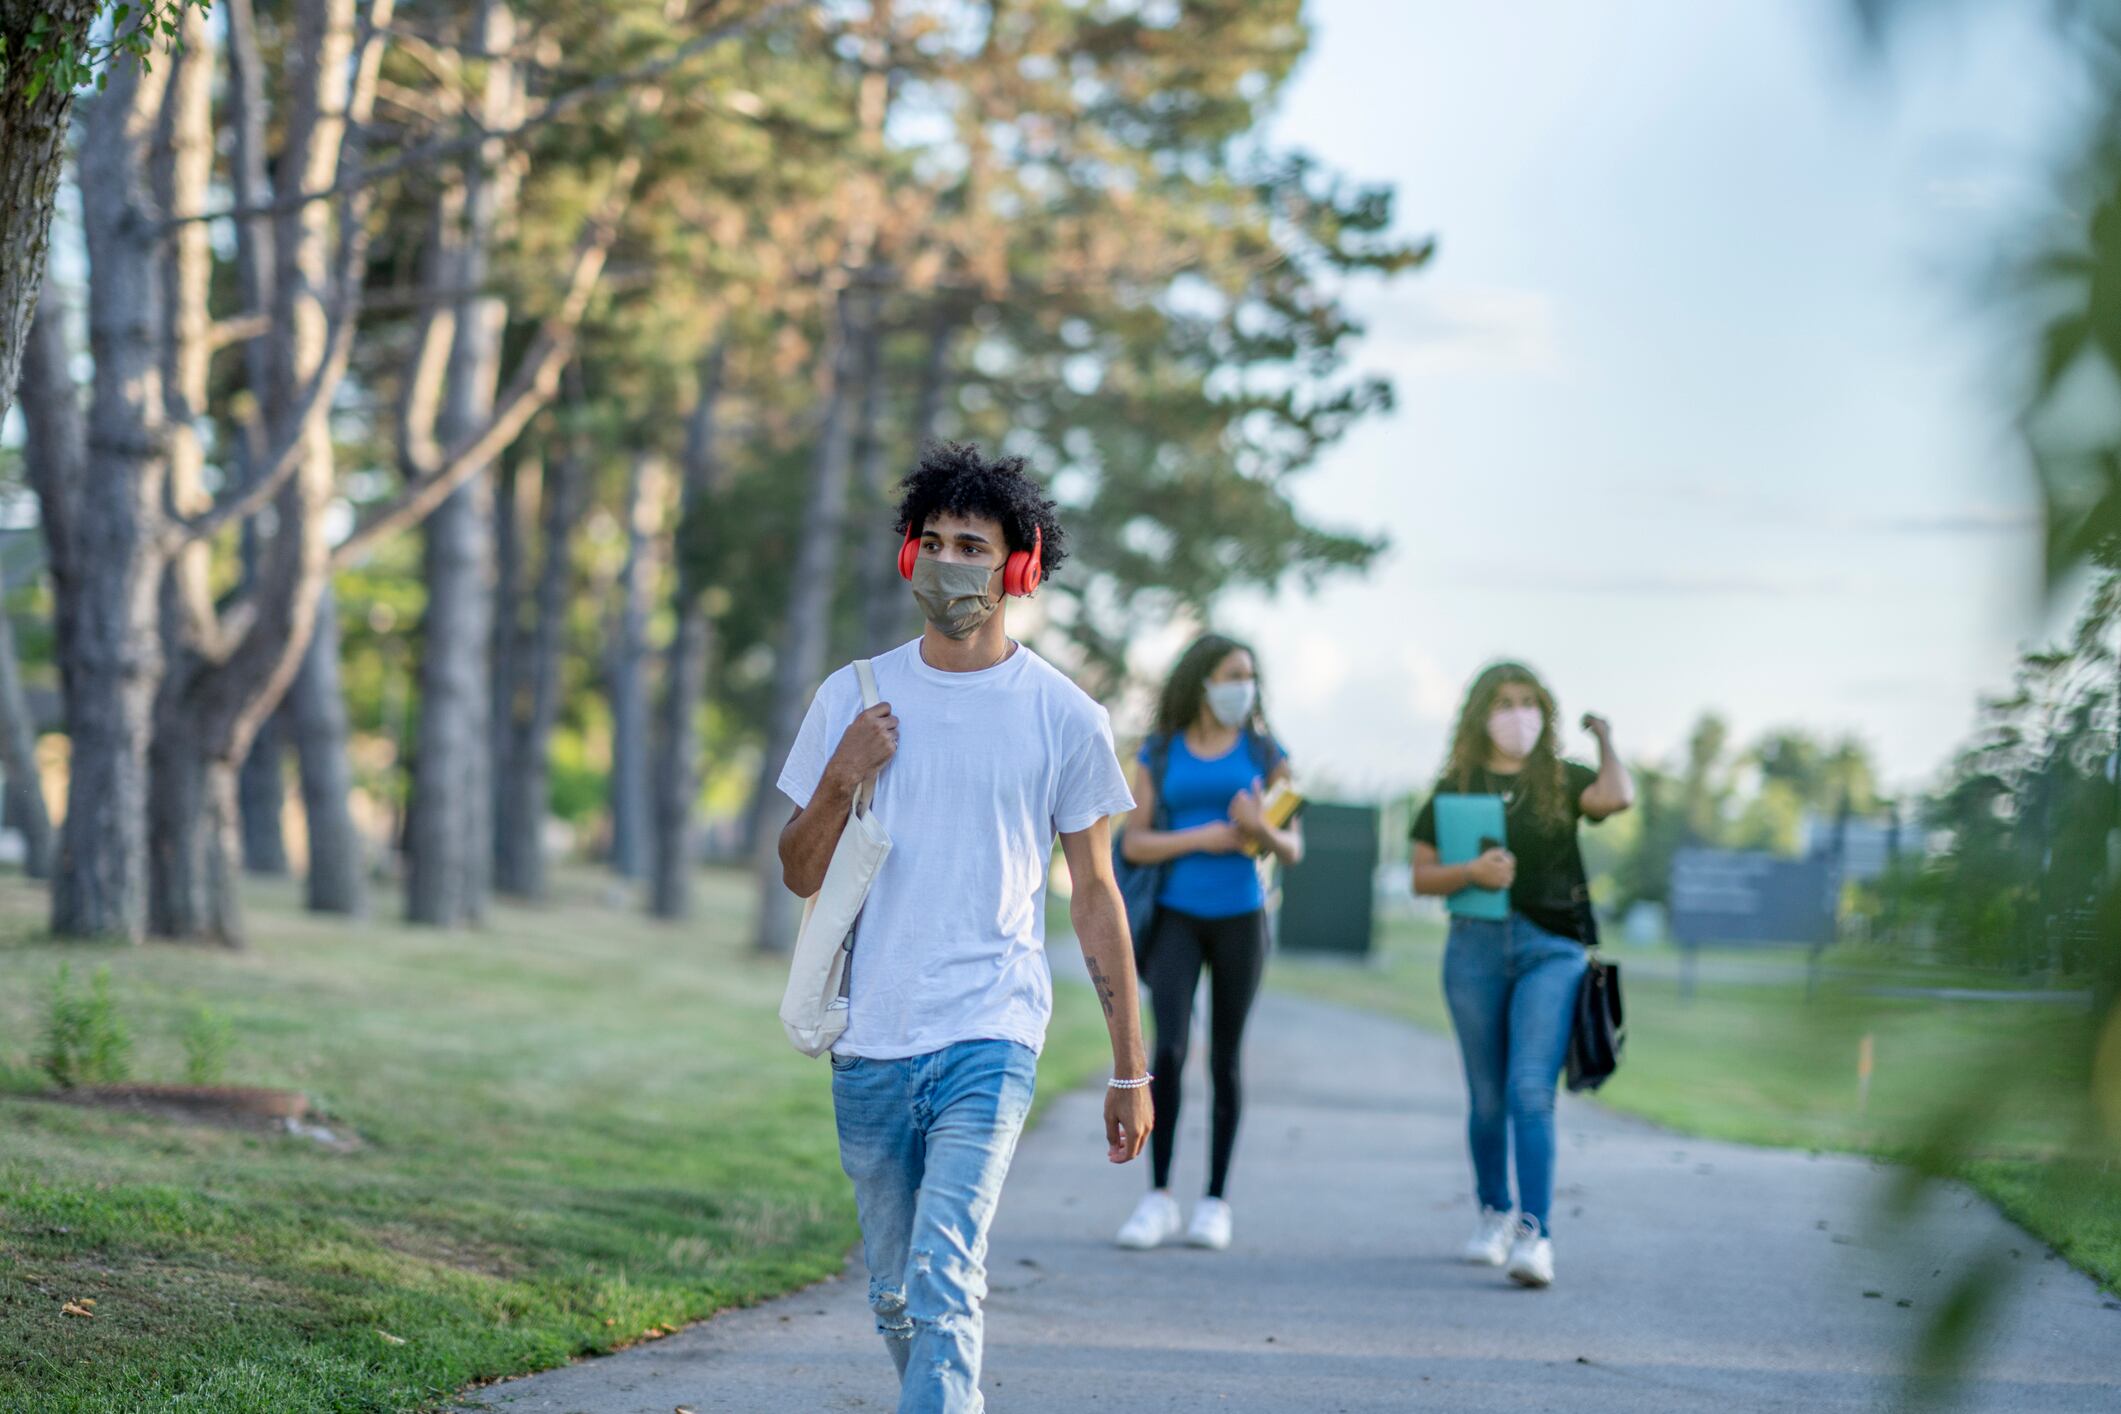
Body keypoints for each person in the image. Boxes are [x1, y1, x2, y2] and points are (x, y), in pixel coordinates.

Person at [774, 443, 1152, 1414]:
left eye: (972, 545)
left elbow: (1096, 891)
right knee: (896, 1294)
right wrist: (840, 776)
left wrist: (1128, 1066)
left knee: (945, 1275)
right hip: (870, 1042)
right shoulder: (851, 697)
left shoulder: (1064, 716)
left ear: (1017, 567)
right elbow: (798, 869)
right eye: (932, 542)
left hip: (992, 1031)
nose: (949, 562)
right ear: (910, 557)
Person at [1409, 661, 1632, 1289]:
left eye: (1528, 702)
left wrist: (1607, 740)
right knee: (1486, 1096)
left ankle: (1537, 1235)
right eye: (1504, 702)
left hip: (1552, 950)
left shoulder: (1562, 780)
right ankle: (1493, 1212)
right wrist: (1471, 874)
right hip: (1474, 948)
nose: (1517, 714)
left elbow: (1616, 797)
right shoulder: (1455, 784)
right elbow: (1420, 875)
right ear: (1482, 714)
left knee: (1530, 1089)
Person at [1111, 634, 1302, 1252]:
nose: (1242, 686)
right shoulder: (1160, 752)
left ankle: (1215, 1201)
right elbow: (1134, 842)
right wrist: (1207, 836)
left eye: (1249, 675)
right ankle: (1157, 1197)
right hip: (1174, 916)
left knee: (1225, 1057)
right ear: (1202, 681)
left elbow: (1293, 848)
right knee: (1166, 1049)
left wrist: (1259, 829)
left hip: (1241, 918)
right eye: (1231, 673)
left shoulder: (1266, 750)